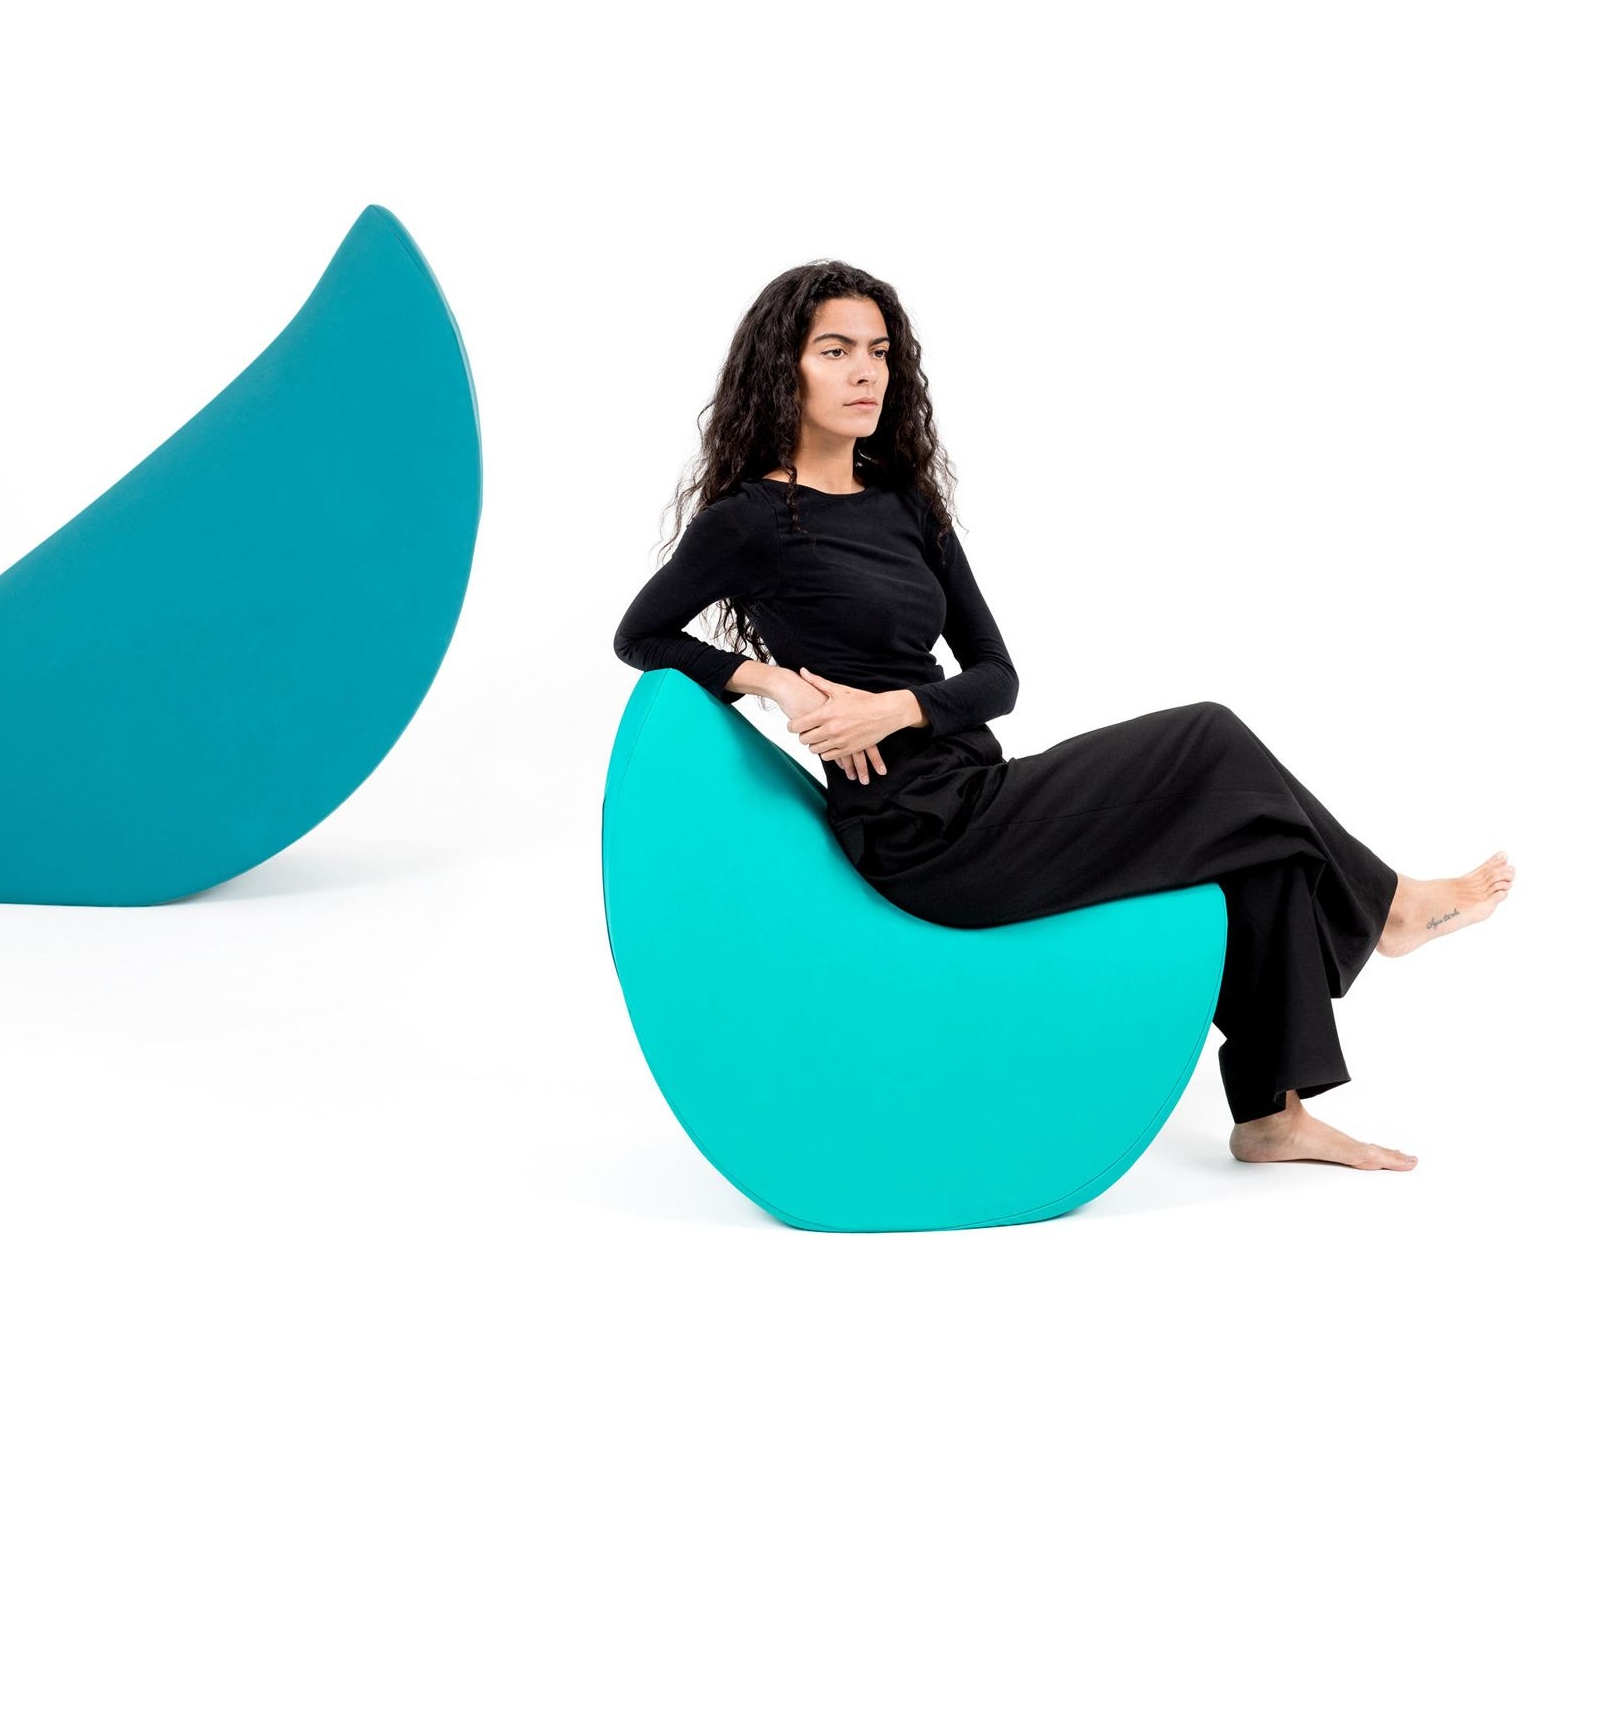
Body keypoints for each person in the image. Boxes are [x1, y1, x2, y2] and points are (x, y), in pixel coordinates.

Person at [612, 260, 1515, 1171]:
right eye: (836, 351)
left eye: (879, 352)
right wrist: (773, 682)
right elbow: (640, 635)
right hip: (916, 833)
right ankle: (1390, 907)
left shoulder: (908, 508)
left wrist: (899, 707)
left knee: (1255, 832)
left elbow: (997, 678)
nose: (866, 374)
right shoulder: (752, 520)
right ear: (786, 370)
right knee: (1210, 736)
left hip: (978, 789)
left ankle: (1273, 1114)